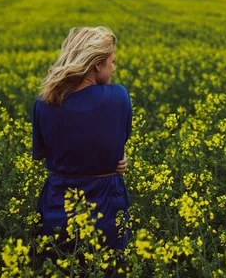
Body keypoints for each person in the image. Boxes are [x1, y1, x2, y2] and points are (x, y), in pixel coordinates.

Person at [31, 26, 133, 273]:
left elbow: (43, 152)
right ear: (97, 64)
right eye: (112, 62)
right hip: (107, 208)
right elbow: (119, 142)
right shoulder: (118, 97)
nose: (114, 68)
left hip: (57, 207)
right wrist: (114, 160)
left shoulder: (44, 102)